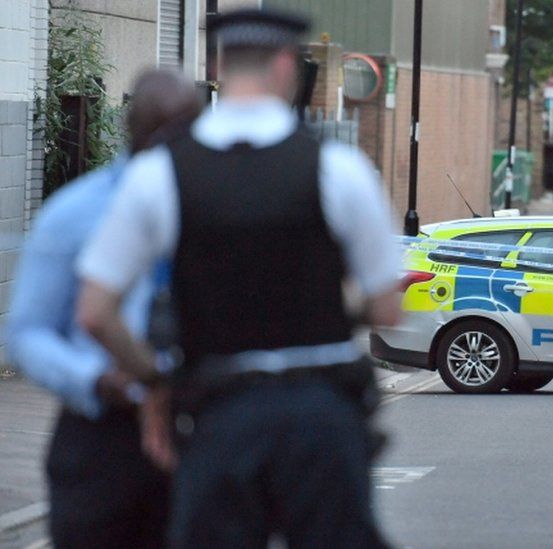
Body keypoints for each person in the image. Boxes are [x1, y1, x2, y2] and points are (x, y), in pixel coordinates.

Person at [75, 8, 401, 548]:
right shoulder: (339, 169)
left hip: (219, 413)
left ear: (217, 65)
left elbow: (95, 312)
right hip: (320, 416)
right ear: (284, 66)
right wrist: (327, 303)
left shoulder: (160, 172)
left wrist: (155, 383)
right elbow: (387, 309)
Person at [5, 69, 201, 548]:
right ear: (134, 129)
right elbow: (26, 332)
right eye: (163, 131)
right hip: (102, 435)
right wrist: (90, 380)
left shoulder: (222, 211)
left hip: (201, 429)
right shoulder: (76, 212)